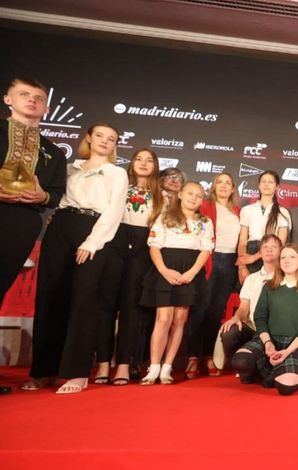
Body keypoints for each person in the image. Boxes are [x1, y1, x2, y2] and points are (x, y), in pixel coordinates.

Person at [25, 123, 128, 394]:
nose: (105, 141)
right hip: (60, 228)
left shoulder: (117, 173)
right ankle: (44, 370)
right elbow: (53, 198)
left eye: (112, 138)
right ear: (89, 139)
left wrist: (93, 241)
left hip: (93, 230)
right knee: (50, 296)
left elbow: (114, 211)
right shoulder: (69, 167)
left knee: (83, 298)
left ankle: (76, 372)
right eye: (100, 136)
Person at [1, 78, 67, 395]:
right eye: (24, 95)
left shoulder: (53, 150)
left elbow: (56, 195)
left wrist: (41, 197)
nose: (32, 101)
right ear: (7, 99)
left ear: (46, 107)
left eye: (38, 98)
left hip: (22, 224)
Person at [139, 181, 214, 385]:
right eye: (190, 193)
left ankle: (167, 369)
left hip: (190, 271)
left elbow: (206, 249)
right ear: (180, 194)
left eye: (199, 195)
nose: (194, 198)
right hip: (165, 267)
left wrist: (191, 273)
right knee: (163, 318)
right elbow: (154, 246)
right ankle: (154, 368)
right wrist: (164, 270)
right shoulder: (164, 217)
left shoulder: (205, 222)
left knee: (179, 319)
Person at [229, 243, 298, 395]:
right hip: (268, 340)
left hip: (294, 345)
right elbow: (260, 318)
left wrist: (287, 351)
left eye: (292, 257)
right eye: (283, 257)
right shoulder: (269, 287)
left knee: (285, 388)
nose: (286, 260)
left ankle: (277, 373)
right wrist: (268, 344)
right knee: (240, 361)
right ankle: (264, 372)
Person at [106, 148, 163, 385]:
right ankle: (100, 363)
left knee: (132, 308)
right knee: (105, 304)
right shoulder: (119, 187)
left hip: (144, 248)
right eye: (138, 159)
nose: (143, 163)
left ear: (155, 166)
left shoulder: (164, 197)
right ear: (131, 164)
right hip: (113, 241)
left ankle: (124, 364)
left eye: (149, 160)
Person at [186, 172, 240, 379]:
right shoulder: (205, 206)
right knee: (200, 309)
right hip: (209, 258)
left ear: (234, 188)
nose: (224, 185)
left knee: (215, 311)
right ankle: (192, 357)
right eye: (220, 182)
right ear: (213, 186)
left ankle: (209, 354)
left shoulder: (237, 210)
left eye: (228, 182)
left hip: (229, 262)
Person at [219, 234, 281, 367]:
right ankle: (238, 365)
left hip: (275, 330)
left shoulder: (285, 277)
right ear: (260, 252)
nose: (269, 250)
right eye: (265, 247)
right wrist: (236, 317)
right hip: (253, 327)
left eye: (273, 247)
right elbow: (244, 307)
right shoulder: (252, 278)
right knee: (229, 333)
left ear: (281, 251)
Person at [237, 170, 290, 279]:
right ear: (259, 185)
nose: (266, 184)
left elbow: (280, 244)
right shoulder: (247, 210)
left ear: (277, 187)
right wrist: (242, 267)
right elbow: (242, 242)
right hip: (249, 255)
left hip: (272, 257)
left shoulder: (283, 212)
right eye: (263, 181)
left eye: (270, 182)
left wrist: (255, 257)